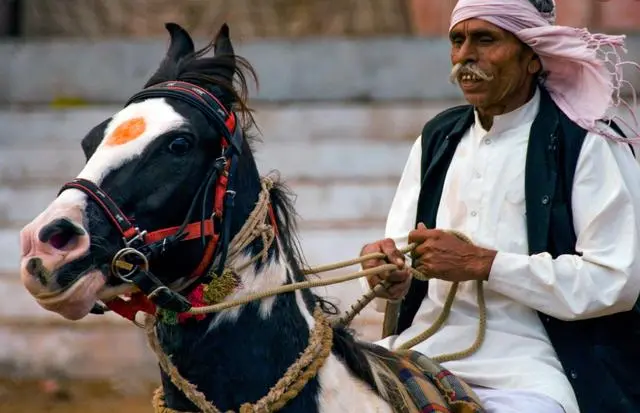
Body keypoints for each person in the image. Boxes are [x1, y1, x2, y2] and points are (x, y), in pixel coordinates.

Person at [360, 1, 640, 412]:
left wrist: (485, 264)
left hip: (535, 367)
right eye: (458, 40)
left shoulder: (587, 141)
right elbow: (403, 250)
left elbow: (615, 279)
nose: (465, 55)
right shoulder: (438, 138)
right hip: (423, 349)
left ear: (531, 57)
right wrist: (387, 271)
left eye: (485, 39)